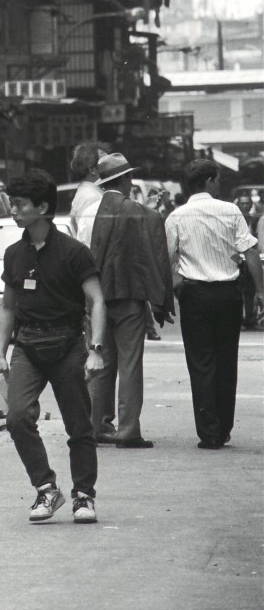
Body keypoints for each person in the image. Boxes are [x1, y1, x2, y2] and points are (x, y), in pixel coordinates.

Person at [0, 169, 106, 524]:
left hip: (68, 345)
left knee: (79, 426)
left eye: (20, 204)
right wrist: (0, 353)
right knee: (16, 418)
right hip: (27, 346)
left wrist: (97, 349)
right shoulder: (14, 254)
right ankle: (46, 489)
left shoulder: (74, 252)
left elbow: (97, 301)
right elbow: (8, 306)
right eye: (12, 203)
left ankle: (84, 496)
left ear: (42, 208)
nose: (13, 210)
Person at [165, 159, 264, 449]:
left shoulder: (176, 216)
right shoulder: (231, 210)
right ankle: (224, 429)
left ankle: (209, 432)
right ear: (209, 181)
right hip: (227, 296)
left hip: (195, 296)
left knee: (201, 363)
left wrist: (173, 293)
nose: (218, 184)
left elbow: (168, 260)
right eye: (217, 179)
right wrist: (260, 292)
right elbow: (250, 252)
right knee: (226, 362)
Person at [80, 153, 173, 448]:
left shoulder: (87, 212)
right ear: (126, 179)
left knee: (99, 360)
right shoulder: (139, 212)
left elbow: (81, 254)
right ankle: (128, 430)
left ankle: (96, 427)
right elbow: (153, 254)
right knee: (130, 363)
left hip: (96, 298)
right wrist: (160, 298)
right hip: (130, 297)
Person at [67, 142, 108, 234]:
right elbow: (89, 236)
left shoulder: (91, 193)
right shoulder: (91, 197)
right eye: (105, 163)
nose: (110, 167)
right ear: (92, 170)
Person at [235, 196, 259, 329]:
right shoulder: (233, 220)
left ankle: (251, 318)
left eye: (247, 203)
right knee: (237, 292)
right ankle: (238, 319)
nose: (245, 206)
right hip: (236, 259)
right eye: (242, 203)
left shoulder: (254, 220)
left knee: (251, 290)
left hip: (252, 258)